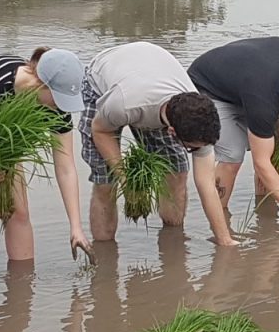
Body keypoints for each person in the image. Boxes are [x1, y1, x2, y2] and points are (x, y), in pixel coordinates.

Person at [0, 47, 91, 265]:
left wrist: (76, 227)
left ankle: (22, 288)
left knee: (18, 212)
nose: (60, 107)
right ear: (40, 81)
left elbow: (66, 166)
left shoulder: (56, 107)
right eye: (57, 97)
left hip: (6, 144)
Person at [79, 42, 234, 247]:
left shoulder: (199, 115)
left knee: (177, 172)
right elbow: (99, 130)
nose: (196, 151)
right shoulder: (124, 104)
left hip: (150, 72)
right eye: (191, 148)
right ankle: (105, 254)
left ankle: (172, 244)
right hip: (104, 82)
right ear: (172, 132)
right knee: (106, 180)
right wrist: (125, 178)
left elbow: (206, 184)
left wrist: (225, 240)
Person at [187, 37, 279, 223]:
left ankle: (265, 212)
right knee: (233, 154)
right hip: (206, 88)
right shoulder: (262, 94)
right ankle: (219, 218)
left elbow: (273, 88)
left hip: (241, 83)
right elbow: (261, 162)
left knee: (270, 141)